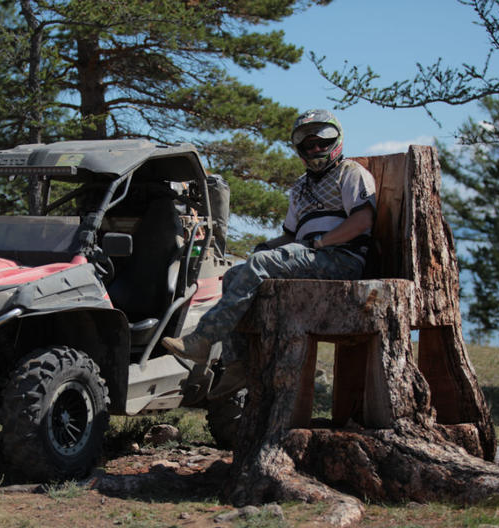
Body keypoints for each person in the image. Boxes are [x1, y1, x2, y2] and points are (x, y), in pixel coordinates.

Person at [161, 108, 377, 399]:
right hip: (309, 254)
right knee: (235, 273)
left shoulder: (351, 174)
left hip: (341, 258)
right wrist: (265, 248)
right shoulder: (301, 186)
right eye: (308, 143)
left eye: (321, 142)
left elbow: (363, 220)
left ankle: (203, 338)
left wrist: (321, 243)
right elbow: (290, 234)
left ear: (335, 141)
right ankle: (237, 365)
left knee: (261, 263)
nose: (315, 148)